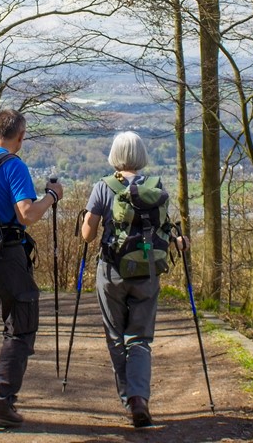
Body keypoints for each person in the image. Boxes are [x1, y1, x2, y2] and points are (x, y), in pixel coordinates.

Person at [79, 131, 187, 428]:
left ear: (115, 155)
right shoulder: (155, 187)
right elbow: (167, 228)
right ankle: (139, 398)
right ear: (141, 156)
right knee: (140, 338)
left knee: (116, 336)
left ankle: (129, 399)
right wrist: (180, 241)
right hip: (147, 272)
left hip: (112, 272)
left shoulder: (104, 187)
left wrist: (87, 220)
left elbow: (87, 235)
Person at [0, 109, 63, 428]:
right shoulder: (13, 165)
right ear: (19, 137)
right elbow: (27, 215)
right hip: (7, 255)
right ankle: (2, 400)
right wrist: (51, 196)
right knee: (21, 326)